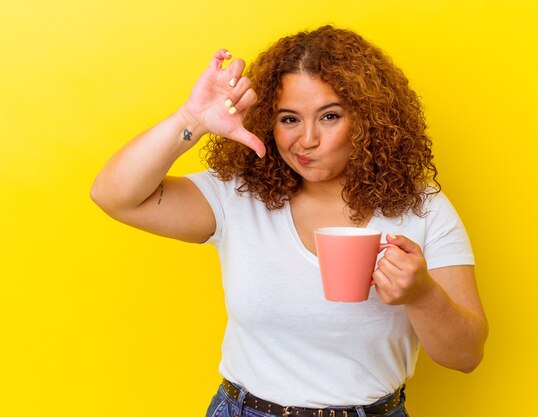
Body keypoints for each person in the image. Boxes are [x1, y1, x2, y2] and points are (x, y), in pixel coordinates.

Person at [91, 25, 488, 417]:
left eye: (330, 116)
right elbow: (114, 196)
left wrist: (421, 294)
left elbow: (466, 356)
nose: (307, 139)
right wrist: (192, 117)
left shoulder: (423, 209)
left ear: (369, 120)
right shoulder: (237, 196)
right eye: (289, 119)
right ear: (268, 122)